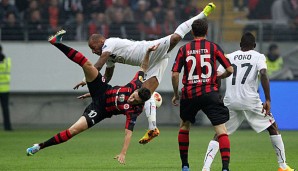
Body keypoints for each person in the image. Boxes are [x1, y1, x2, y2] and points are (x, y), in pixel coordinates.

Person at [73, 3, 216, 144]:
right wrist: (95, 91)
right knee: (145, 93)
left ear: (101, 41)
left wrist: (86, 79)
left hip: (150, 49)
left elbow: (98, 64)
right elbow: (107, 76)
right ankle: (153, 129)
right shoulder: (109, 57)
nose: (93, 51)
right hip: (152, 63)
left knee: (175, 38)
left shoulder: (109, 44)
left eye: (93, 47)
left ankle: (203, 14)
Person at [26, 30, 155, 165]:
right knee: (87, 65)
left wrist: (123, 153)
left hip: (100, 110)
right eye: (134, 97)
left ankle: (39, 146)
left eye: (136, 101)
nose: (132, 100)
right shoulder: (137, 83)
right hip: (102, 89)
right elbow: (144, 67)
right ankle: (57, 43)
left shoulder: (135, 110)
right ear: (136, 90)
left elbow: (128, 133)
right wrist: (148, 52)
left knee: (73, 131)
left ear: (141, 103)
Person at [201, 32, 296, 171]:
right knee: (273, 127)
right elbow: (263, 73)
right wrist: (268, 99)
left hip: (231, 101)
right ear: (255, 46)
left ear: (240, 45)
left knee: (220, 132)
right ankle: (282, 166)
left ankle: (206, 167)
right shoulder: (259, 56)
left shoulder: (229, 56)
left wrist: (216, 94)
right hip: (250, 101)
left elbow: (217, 75)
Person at [171, 19, 234, 171]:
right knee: (221, 130)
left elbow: (174, 74)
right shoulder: (213, 47)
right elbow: (230, 69)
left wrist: (176, 94)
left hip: (189, 93)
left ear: (192, 32)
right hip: (209, 92)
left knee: (185, 126)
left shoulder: (183, 49)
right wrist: (220, 76)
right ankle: (225, 168)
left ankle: (185, 166)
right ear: (206, 32)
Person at [0, 45, 12, 131]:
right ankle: (7, 127)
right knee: (5, 109)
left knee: (5, 109)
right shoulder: (7, 61)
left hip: (3, 88)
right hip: (5, 89)